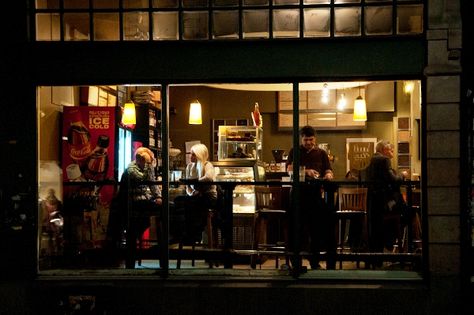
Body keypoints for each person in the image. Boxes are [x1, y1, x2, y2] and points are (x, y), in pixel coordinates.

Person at [287, 125, 336, 270]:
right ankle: (296, 263)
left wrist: (328, 175)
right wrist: (306, 171)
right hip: (298, 195)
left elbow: (328, 169)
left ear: (315, 139)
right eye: (306, 139)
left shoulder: (321, 153)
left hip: (315, 195)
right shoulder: (294, 151)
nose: (308, 142)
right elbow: (289, 168)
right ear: (301, 139)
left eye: (311, 139)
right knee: (298, 230)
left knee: (316, 230)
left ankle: (315, 262)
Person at [365, 140, 408, 266]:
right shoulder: (384, 160)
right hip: (385, 203)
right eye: (391, 150)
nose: (392, 152)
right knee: (408, 213)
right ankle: (397, 246)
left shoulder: (372, 160)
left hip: (374, 202)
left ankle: (389, 245)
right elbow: (394, 180)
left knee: (379, 228)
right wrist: (403, 175)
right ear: (384, 149)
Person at [119, 147, 163, 268]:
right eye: (147, 161)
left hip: (141, 203)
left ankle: (164, 244)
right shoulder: (131, 169)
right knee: (134, 231)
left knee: (169, 206)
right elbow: (144, 179)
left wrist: (159, 196)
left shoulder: (143, 168)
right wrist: (150, 166)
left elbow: (152, 183)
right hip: (133, 205)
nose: (149, 164)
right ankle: (163, 247)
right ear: (139, 159)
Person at [175, 143, 217, 243]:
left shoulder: (207, 165)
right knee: (179, 201)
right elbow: (188, 187)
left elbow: (209, 178)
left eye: (193, 154)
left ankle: (192, 234)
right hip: (196, 196)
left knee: (188, 205)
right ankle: (187, 232)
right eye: (191, 154)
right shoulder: (189, 166)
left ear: (199, 155)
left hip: (208, 196)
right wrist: (192, 192)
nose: (190, 156)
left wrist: (195, 181)